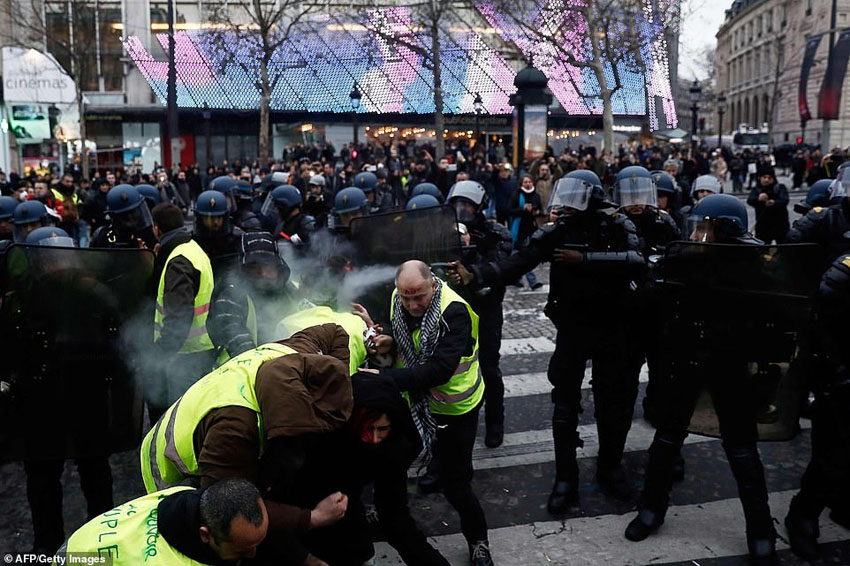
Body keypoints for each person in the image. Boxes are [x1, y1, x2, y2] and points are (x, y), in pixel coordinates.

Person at [453, 170, 644, 511]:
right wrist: (479, 273)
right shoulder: (559, 230)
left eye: (575, 197)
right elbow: (519, 261)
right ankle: (565, 478)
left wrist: (584, 259)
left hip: (612, 325)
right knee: (564, 405)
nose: (567, 205)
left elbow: (636, 260)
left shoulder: (616, 223)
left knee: (612, 400)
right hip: (572, 327)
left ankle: (610, 466)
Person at [623, 194, 778, 566]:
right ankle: (651, 509)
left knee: (742, 449)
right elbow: (650, 300)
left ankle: (760, 530)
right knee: (667, 437)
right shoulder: (682, 259)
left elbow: (775, 316)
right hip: (685, 358)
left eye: (704, 227)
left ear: (725, 230)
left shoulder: (753, 266)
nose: (696, 234)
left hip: (729, 364)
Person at [141, 328, 353, 566]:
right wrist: (311, 519)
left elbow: (336, 332)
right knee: (221, 545)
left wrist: (339, 376)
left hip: (213, 432)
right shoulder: (234, 430)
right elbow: (230, 510)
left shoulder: (297, 356)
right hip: (171, 465)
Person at [363, 260, 494, 566]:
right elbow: (405, 333)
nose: (412, 304)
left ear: (433, 285)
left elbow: (438, 370)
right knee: (394, 460)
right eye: (406, 297)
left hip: (455, 408)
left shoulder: (454, 312)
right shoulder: (399, 298)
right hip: (415, 403)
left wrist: (381, 380)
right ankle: (392, 512)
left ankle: (479, 542)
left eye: (419, 296)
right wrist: (389, 341)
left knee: (456, 484)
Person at [289, 372, 452, 566]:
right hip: (312, 502)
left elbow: (394, 515)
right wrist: (304, 555)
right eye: (366, 429)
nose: (374, 439)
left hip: (348, 503)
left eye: (382, 429)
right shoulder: (323, 437)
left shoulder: (394, 446)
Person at [784, 250, 850, 560]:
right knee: (832, 455)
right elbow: (818, 323)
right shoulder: (844, 269)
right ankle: (803, 515)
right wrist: (837, 373)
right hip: (839, 380)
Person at [58, 478, 268, 565]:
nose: (253, 554)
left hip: (80, 545)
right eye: (242, 551)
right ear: (205, 534)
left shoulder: (181, 496)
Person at [445, 180, 512, 448]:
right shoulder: (445, 231)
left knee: (488, 367)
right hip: (454, 309)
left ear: (480, 208)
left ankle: (496, 422)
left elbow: (500, 268)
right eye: (457, 205)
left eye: (468, 206)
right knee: (451, 370)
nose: (462, 211)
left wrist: (471, 253)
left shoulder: (496, 233)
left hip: (486, 308)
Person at [613, 166, 680, 427]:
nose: (636, 202)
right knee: (625, 371)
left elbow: (678, 254)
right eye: (630, 196)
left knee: (661, 368)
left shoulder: (663, 221)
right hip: (626, 309)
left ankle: (655, 409)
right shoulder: (614, 222)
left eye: (640, 195)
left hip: (658, 308)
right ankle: (621, 416)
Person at [150, 203, 216, 422]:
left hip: (185, 355)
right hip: (201, 349)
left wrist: (160, 352)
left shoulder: (178, 261)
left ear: (157, 229)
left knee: (182, 421)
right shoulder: (191, 249)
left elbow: (179, 316)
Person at [207, 232, 296, 366]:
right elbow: (236, 338)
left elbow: (310, 318)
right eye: (255, 267)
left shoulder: (289, 290)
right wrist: (266, 367)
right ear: (244, 268)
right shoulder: (231, 294)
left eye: (269, 266)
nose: (263, 274)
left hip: (288, 366)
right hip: (239, 372)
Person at [90, 184, 157, 249]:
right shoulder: (104, 237)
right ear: (114, 217)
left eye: (133, 212)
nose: (130, 217)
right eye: (125, 215)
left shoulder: (149, 235)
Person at [194, 190, 242, 274]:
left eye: (219, 217)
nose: (215, 222)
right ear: (200, 218)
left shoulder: (237, 239)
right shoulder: (192, 242)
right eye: (210, 218)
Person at [508, 174, 544, 290]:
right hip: (519, 229)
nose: (528, 184)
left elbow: (540, 209)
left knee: (524, 254)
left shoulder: (535, 195)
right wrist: (522, 209)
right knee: (522, 254)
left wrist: (535, 211)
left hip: (531, 228)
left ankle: (516, 278)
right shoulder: (516, 195)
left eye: (529, 182)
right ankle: (530, 280)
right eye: (525, 182)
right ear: (521, 184)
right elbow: (509, 210)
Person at [747, 165, 789, 244]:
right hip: (763, 225)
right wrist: (758, 199)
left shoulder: (780, 187)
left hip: (780, 224)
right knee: (763, 248)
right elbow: (750, 200)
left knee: (783, 247)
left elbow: (785, 200)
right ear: (760, 178)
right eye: (764, 177)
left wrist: (774, 202)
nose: (766, 180)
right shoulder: (756, 189)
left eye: (769, 178)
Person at [269, 184, 316, 251]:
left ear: (285, 206)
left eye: (277, 207)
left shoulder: (306, 225)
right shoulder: (283, 222)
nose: (276, 210)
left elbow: (313, 252)